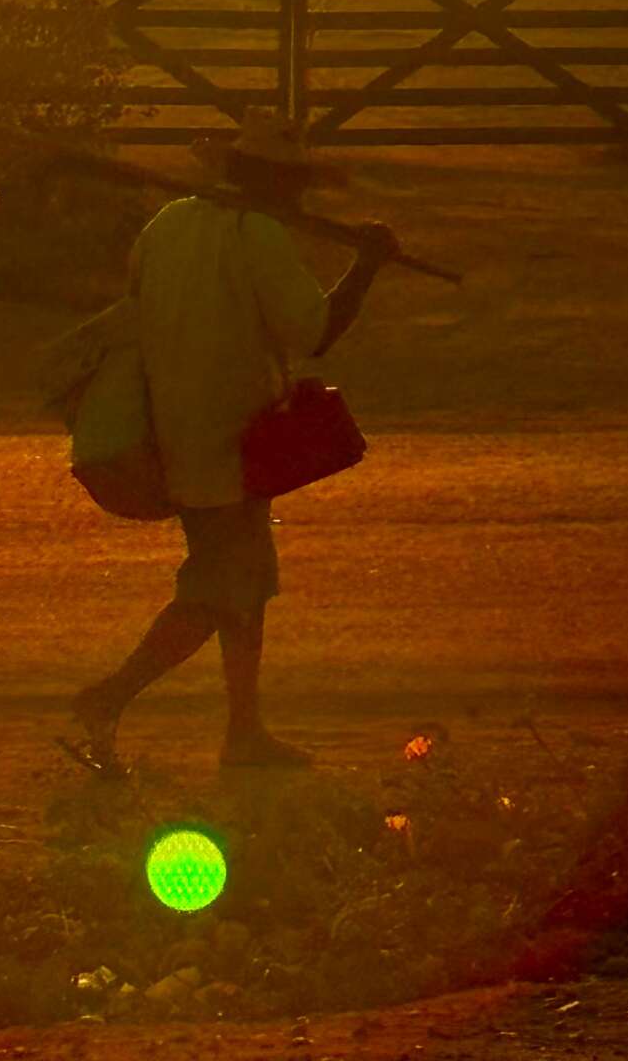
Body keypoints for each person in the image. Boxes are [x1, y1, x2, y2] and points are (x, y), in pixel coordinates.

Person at [69, 108, 399, 771]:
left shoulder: (166, 226)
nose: (300, 198)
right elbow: (315, 333)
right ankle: (111, 696)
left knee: (245, 585)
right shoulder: (261, 236)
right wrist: (367, 264)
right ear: (276, 183)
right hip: (230, 437)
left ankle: (244, 730)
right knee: (221, 590)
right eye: (293, 185)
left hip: (173, 427)